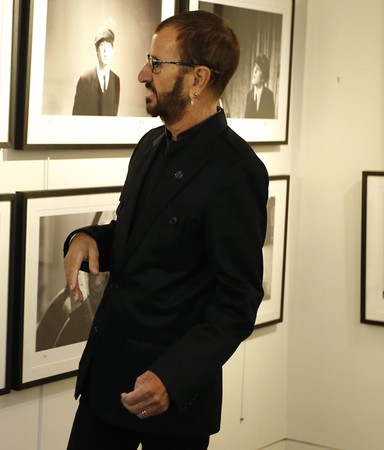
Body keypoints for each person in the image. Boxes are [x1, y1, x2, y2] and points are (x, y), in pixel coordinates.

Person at [63, 11, 268, 449]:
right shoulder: (150, 146)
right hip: (108, 383)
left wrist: (172, 379)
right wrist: (87, 239)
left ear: (197, 78)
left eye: (156, 64)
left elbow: (238, 301)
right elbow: (133, 240)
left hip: (171, 403)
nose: (141, 74)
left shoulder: (237, 170)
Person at [73, 27, 121, 116]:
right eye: (102, 45)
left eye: (109, 45)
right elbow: (76, 117)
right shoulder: (84, 80)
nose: (105, 50)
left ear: (112, 51)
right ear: (97, 50)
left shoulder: (116, 80)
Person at [243, 53, 276, 118]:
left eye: (258, 69)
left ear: (263, 78)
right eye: (254, 67)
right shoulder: (249, 96)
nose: (254, 71)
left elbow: (271, 123)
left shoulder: (269, 96)